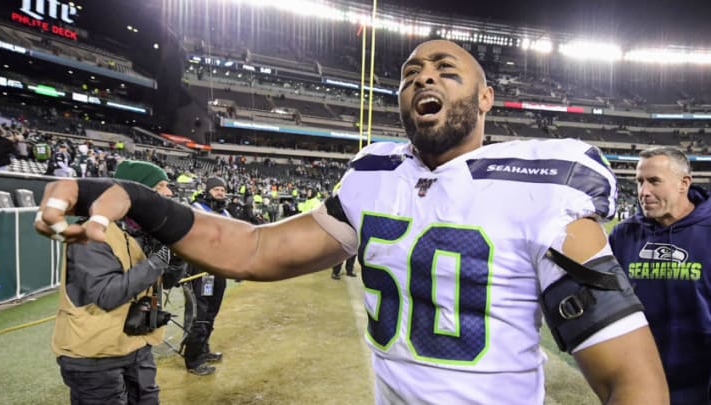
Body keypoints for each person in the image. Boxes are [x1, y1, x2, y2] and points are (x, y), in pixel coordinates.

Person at [35, 40, 669, 404]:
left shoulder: (543, 183)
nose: (425, 77)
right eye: (411, 74)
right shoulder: (373, 177)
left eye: (448, 71)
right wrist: (132, 195)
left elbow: (629, 377)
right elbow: (252, 249)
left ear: (484, 100)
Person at [50, 159, 178, 404]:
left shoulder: (140, 231)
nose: (168, 193)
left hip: (135, 345)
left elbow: (169, 282)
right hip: (94, 355)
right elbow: (107, 295)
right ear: (135, 192)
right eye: (160, 186)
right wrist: (158, 261)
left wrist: (176, 256)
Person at [609, 146, 711, 404]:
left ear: (683, 183)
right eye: (640, 181)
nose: (644, 192)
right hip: (638, 383)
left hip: (701, 384)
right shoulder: (623, 234)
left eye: (654, 181)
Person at [184, 176, 230, 375]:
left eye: (222, 190)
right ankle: (193, 360)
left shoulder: (226, 212)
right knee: (200, 314)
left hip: (218, 269)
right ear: (208, 191)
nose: (220, 193)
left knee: (212, 312)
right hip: (200, 269)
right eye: (216, 190)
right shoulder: (197, 208)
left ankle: (203, 349)